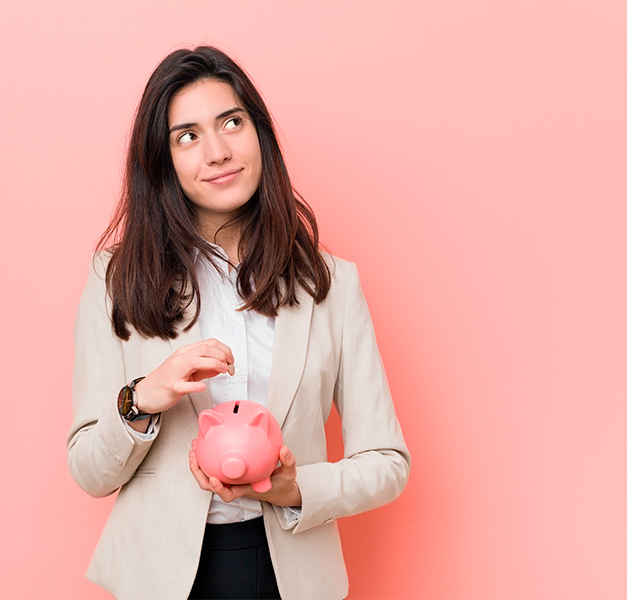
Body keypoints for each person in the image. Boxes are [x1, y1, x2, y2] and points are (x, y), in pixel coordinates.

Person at [67, 45, 410, 600]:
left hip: (291, 572)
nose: (219, 152)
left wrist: (298, 489)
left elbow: (387, 462)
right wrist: (144, 396)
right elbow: (89, 471)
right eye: (188, 136)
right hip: (160, 576)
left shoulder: (332, 284)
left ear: (260, 134)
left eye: (232, 122)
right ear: (162, 161)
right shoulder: (116, 279)